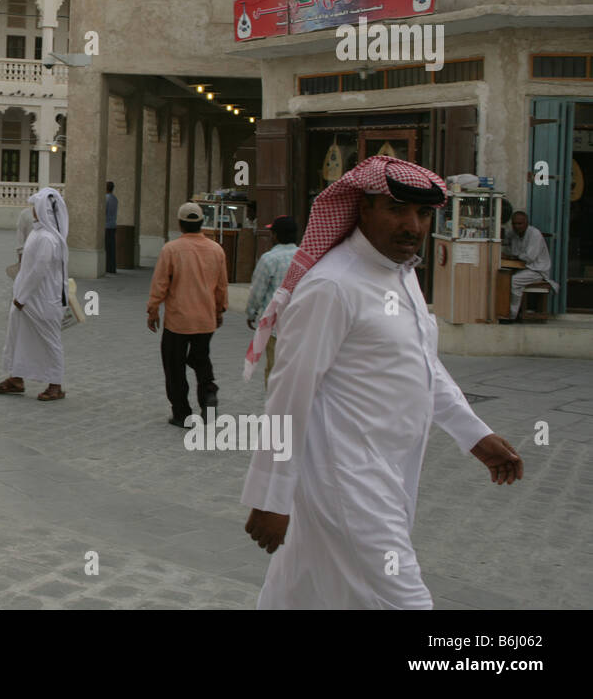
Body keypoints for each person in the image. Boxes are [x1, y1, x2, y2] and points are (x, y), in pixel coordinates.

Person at [240, 156, 523, 609]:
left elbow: (423, 366)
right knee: (404, 601)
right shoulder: (333, 286)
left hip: (388, 471)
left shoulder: (401, 273)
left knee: (298, 595)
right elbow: (288, 394)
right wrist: (272, 495)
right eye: (397, 210)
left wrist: (475, 434)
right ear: (363, 208)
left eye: (423, 214)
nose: (412, 225)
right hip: (347, 481)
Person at [147, 201, 228, 426]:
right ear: (202, 223)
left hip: (178, 321)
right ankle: (209, 395)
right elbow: (222, 286)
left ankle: (182, 413)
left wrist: (153, 310)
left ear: (180, 224)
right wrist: (220, 310)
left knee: (174, 366)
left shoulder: (171, 249)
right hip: (205, 319)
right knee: (201, 359)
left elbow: (160, 284)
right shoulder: (216, 249)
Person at [0, 187, 69, 402]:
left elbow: (39, 270)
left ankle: (56, 384)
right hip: (26, 299)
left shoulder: (48, 238)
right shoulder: (38, 232)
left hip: (41, 299)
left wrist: (22, 297)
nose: (32, 210)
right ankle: (16, 378)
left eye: (36, 206)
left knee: (49, 340)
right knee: (18, 337)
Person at [245, 215, 299, 386]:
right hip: (301, 323)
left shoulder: (269, 259)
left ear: (275, 235)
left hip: (276, 325)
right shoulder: (305, 258)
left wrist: (251, 313)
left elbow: (257, 291)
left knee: (275, 368)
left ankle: (277, 408)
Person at [501, 210, 558, 322]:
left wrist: (513, 256)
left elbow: (529, 257)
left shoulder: (534, 234)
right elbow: (505, 242)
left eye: (520, 223)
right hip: (522, 267)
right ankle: (505, 311)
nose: (517, 226)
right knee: (502, 277)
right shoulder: (513, 233)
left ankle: (511, 315)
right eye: (514, 224)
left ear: (526, 223)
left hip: (537, 270)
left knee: (514, 281)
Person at [104, 181, 119, 274]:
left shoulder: (106, 198)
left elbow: (104, 211)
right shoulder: (115, 198)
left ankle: (107, 267)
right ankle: (112, 267)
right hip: (112, 224)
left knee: (106, 248)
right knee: (111, 248)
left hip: (106, 225)